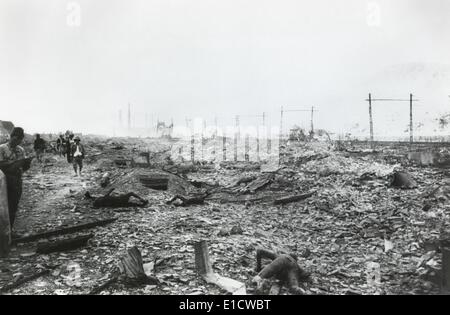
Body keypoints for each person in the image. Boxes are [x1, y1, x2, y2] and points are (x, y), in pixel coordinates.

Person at [0, 127, 32, 230]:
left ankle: (10, 231)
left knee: (13, 207)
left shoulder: (21, 149)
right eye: (16, 138)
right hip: (3, 182)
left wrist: (27, 164)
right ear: (11, 136)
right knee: (3, 209)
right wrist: (11, 164)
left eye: (19, 140)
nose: (17, 141)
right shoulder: (2, 148)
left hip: (16, 181)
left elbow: (23, 168)